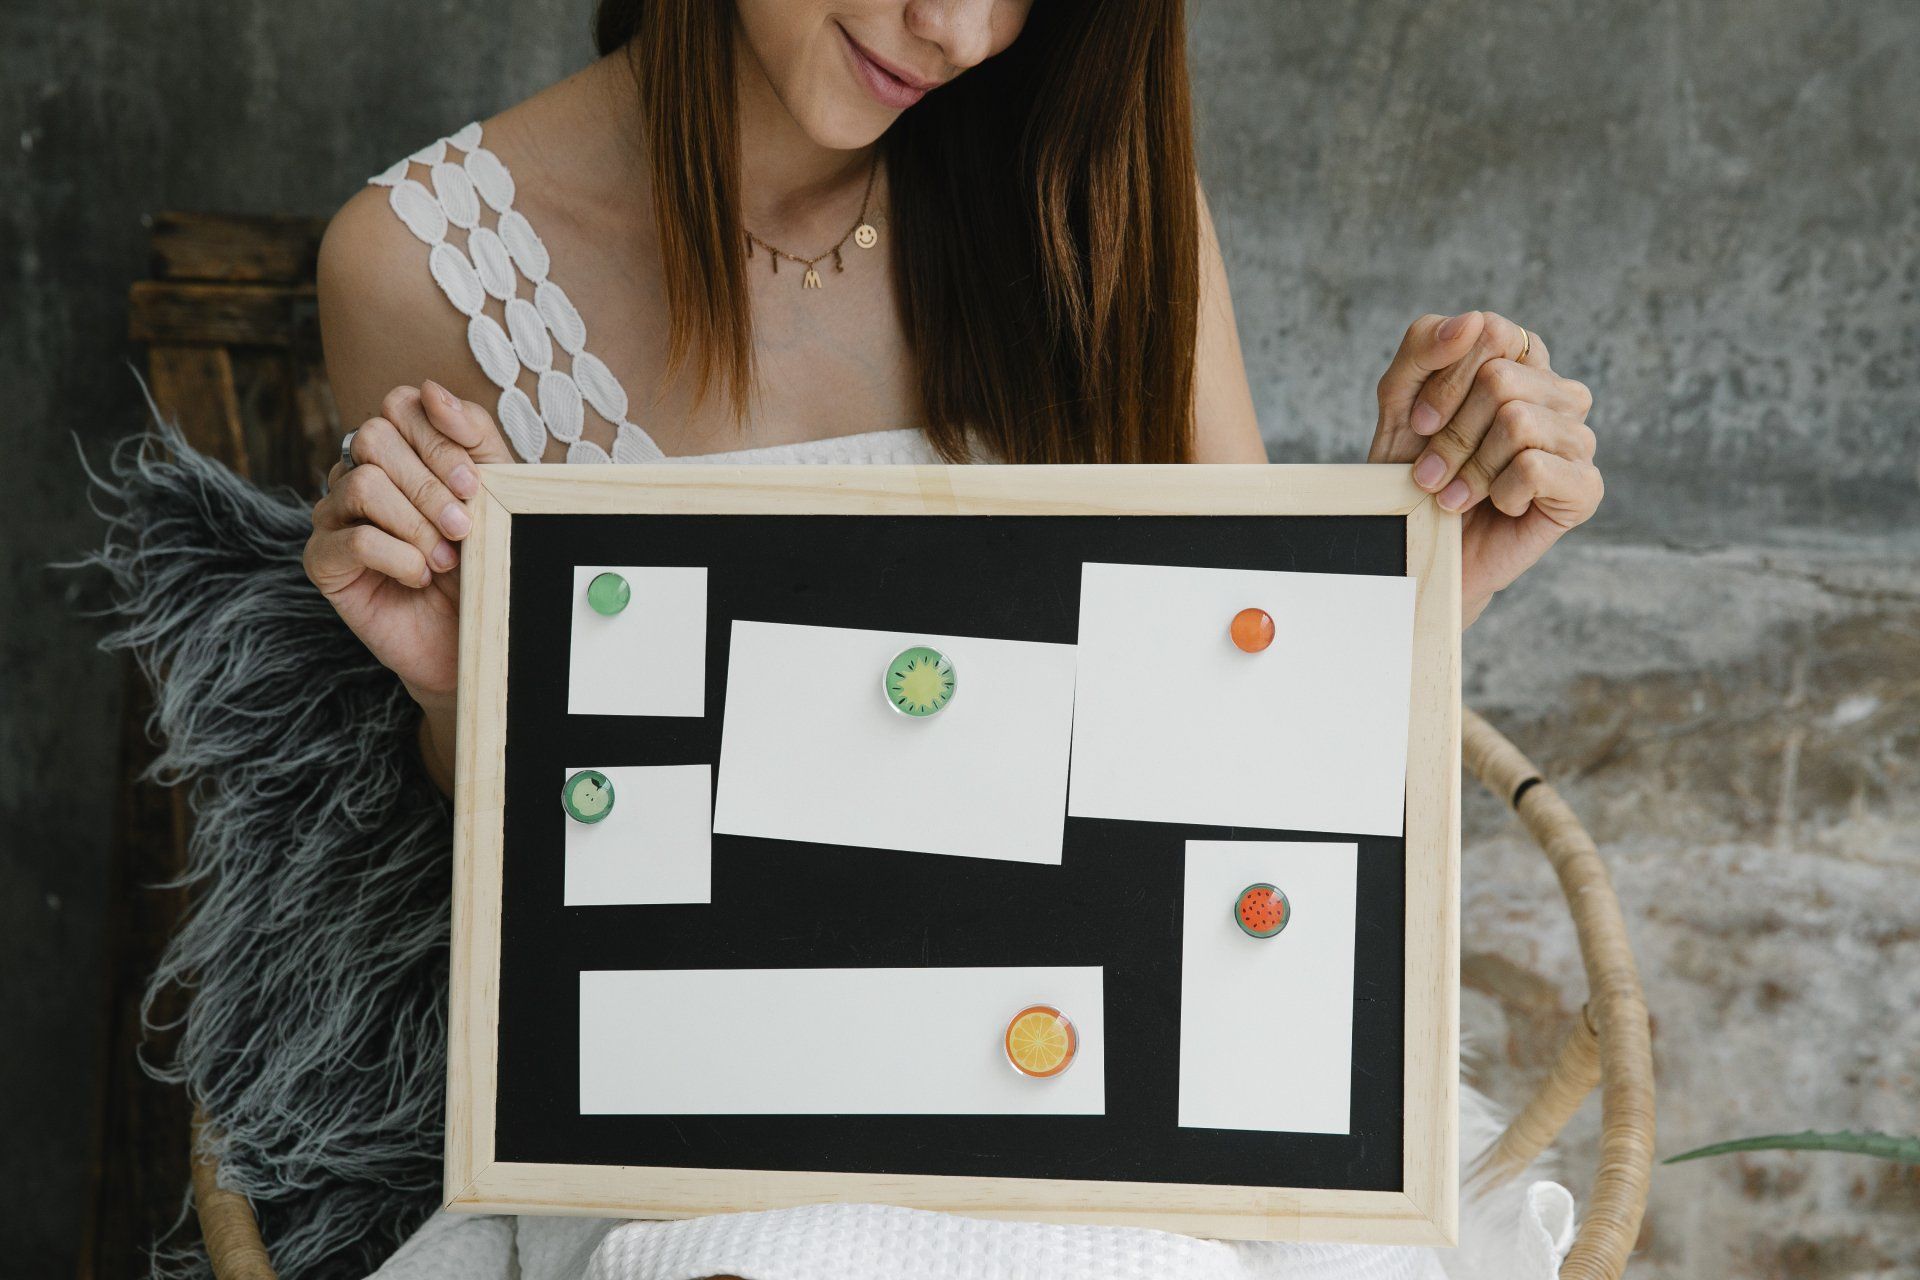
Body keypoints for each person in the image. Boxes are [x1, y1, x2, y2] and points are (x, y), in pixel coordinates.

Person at [306, 1, 1600, 1276]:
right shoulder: (424, 266)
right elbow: (560, 879)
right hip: (714, 1124)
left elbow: (1230, 768)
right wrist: (454, 690)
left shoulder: (1091, 194)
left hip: (1124, 1102)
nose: (960, 29)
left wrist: (1414, 568)